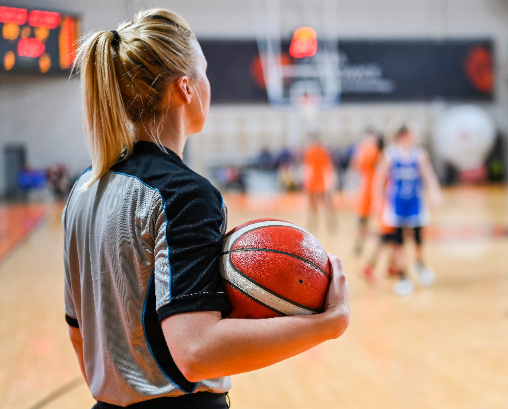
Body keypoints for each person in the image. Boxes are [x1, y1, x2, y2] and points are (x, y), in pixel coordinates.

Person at [63, 9, 350, 409]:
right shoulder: (183, 193)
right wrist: (326, 325)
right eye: (206, 72)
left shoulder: (83, 189)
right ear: (186, 88)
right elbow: (197, 351)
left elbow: (79, 332)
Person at [375, 125, 442, 295]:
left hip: (415, 202)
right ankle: (403, 276)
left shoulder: (419, 154)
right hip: (396, 203)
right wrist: (377, 199)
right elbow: (379, 177)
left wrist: (434, 192)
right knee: (398, 241)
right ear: (403, 136)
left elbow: (428, 175)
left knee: (418, 237)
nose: (415, 137)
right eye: (411, 134)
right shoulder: (390, 154)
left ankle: (419, 263)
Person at [348, 129, 383, 255]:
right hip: (365, 189)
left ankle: (382, 245)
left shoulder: (379, 151)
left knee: (381, 221)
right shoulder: (362, 150)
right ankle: (359, 244)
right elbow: (355, 167)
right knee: (362, 220)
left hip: (376, 187)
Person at [302, 135, 336, 229]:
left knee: (323, 202)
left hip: (319, 181)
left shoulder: (320, 151)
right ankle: (317, 223)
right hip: (316, 181)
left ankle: (328, 223)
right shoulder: (313, 152)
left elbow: (327, 167)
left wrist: (329, 181)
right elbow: (308, 168)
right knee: (316, 203)